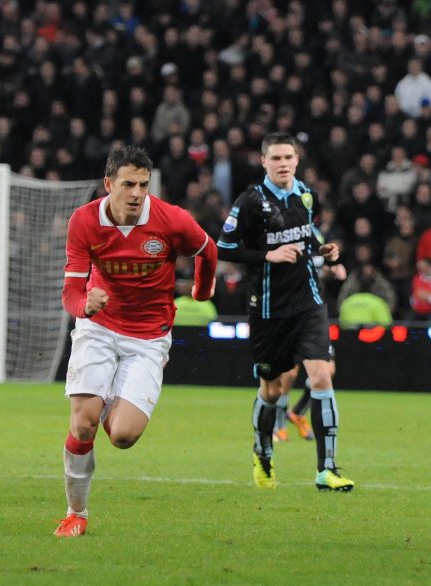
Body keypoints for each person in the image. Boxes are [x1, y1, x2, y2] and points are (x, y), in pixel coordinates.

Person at [55, 145, 218, 537]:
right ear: (109, 183)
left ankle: (108, 397)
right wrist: (85, 304)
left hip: (148, 337)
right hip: (99, 328)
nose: (136, 193)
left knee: (124, 437)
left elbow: (207, 250)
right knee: (83, 426)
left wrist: (201, 290)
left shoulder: (171, 220)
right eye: (128, 184)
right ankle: (76, 514)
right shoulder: (84, 222)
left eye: (143, 185)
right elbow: (71, 294)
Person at [216, 132, 354, 491]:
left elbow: (309, 235)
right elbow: (223, 249)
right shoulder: (249, 202)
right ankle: (262, 453)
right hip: (267, 310)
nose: (282, 164)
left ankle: (328, 469)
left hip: (308, 302)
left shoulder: (305, 194)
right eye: (275, 158)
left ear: (297, 160)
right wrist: (267, 255)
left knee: (322, 376)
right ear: (263, 161)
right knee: (272, 390)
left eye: (288, 157)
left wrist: (327, 253)